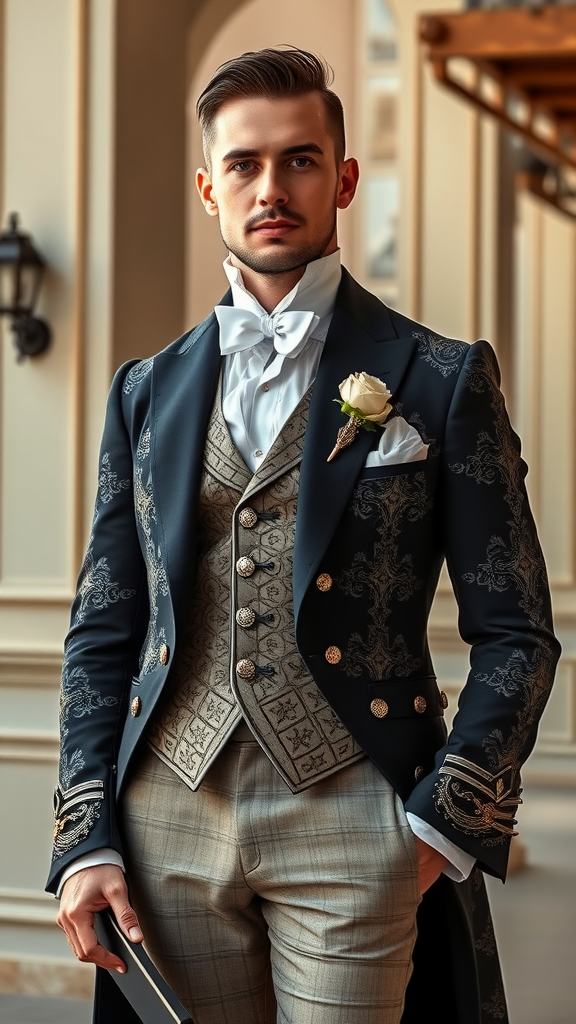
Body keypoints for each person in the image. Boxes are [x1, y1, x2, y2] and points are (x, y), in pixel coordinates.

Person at [47, 47, 560, 1024]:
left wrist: (439, 823)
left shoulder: (441, 379)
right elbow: (100, 629)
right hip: (166, 816)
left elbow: (517, 630)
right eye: (243, 164)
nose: (270, 187)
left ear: (344, 178)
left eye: (300, 160)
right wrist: (86, 834)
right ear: (208, 187)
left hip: (356, 819)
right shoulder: (144, 393)